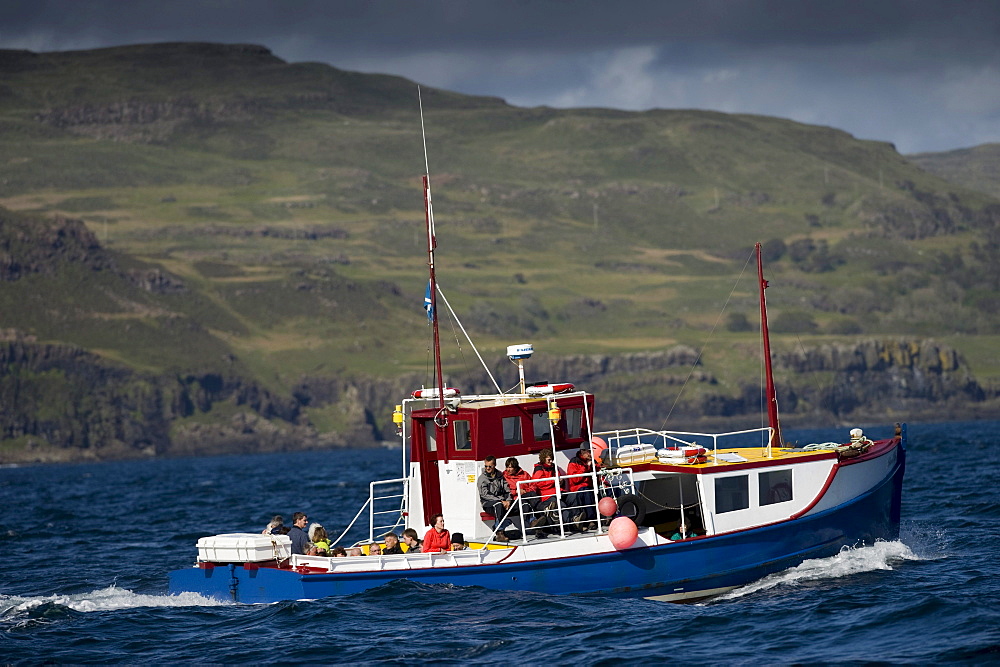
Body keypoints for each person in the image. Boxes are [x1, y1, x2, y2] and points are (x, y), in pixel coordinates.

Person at [531, 448, 579, 531]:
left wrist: (561, 481)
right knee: (561, 504)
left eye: (551, 459)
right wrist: (554, 481)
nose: (551, 461)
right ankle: (572, 522)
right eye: (549, 459)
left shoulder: (554, 467)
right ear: (543, 459)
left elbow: (558, 478)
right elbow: (539, 483)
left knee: (573, 497)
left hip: (559, 492)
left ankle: (577, 517)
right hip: (547, 496)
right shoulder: (539, 469)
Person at [478, 456, 512, 541]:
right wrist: (501, 501)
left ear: (494, 465)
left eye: (490, 466)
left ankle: (534, 525)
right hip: (487, 503)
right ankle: (499, 533)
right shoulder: (482, 478)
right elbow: (484, 495)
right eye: (486, 466)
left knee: (517, 505)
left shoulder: (500, 476)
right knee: (498, 505)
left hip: (502, 501)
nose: (488, 468)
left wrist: (508, 500)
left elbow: (506, 489)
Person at [566, 447, 597, 529]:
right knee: (586, 492)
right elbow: (574, 479)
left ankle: (607, 517)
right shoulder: (574, 461)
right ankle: (590, 520)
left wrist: (596, 466)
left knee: (602, 491)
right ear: (583, 452)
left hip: (589, 487)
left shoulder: (592, 461)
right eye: (588, 452)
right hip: (577, 487)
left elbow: (598, 471)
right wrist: (585, 467)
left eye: (591, 452)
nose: (590, 454)